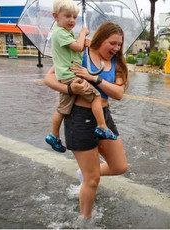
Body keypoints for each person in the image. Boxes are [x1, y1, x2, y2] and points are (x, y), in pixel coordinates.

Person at [44, 22, 128, 221]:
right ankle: (85, 221)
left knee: (119, 167)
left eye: (119, 45)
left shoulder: (118, 63)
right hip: (79, 118)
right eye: (112, 43)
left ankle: (85, 173)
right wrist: (71, 90)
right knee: (93, 180)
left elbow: (118, 93)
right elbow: (49, 79)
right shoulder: (80, 53)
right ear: (101, 39)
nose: (116, 49)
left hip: (104, 116)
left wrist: (94, 79)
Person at [45, 0, 116, 153]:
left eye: (75, 17)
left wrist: (84, 45)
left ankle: (54, 135)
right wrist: (82, 34)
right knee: (96, 96)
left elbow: (75, 49)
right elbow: (76, 47)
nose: (72, 20)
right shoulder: (60, 32)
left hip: (67, 74)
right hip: (71, 75)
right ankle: (102, 126)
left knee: (63, 109)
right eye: (68, 16)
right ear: (56, 16)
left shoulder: (65, 33)